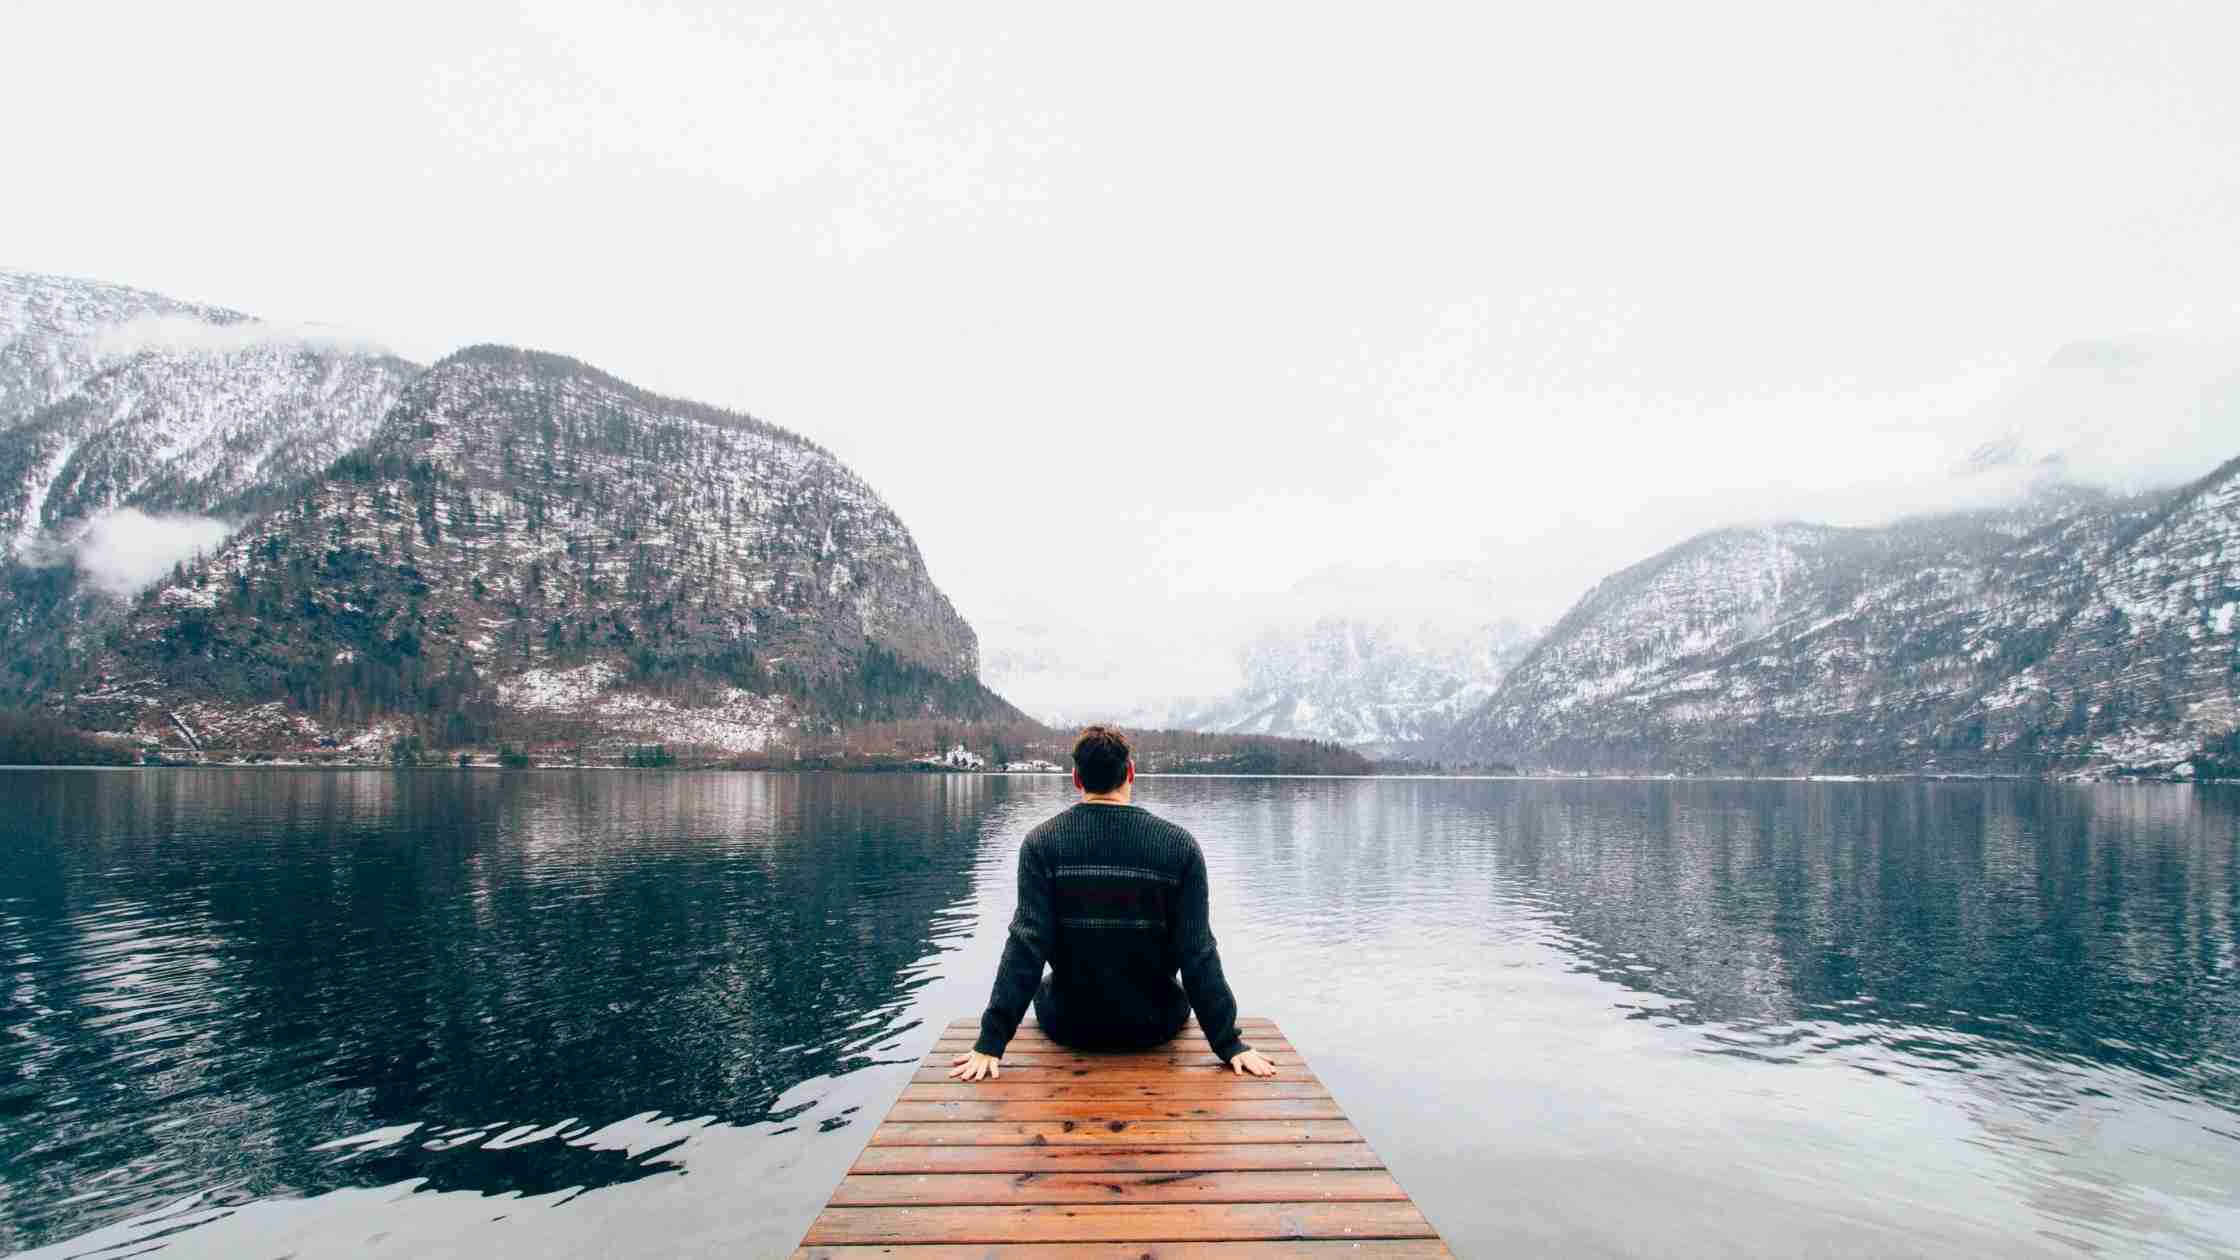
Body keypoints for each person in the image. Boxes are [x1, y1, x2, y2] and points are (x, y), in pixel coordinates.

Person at [949, 725, 1278, 1081]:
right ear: (1131, 773)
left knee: (1047, 982)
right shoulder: (1180, 847)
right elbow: (1197, 953)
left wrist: (990, 1042)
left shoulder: (1041, 844)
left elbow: (1027, 945)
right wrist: (1229, 1044)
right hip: (1156, 1025)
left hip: (1070, 1026)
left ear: (1076, 778)